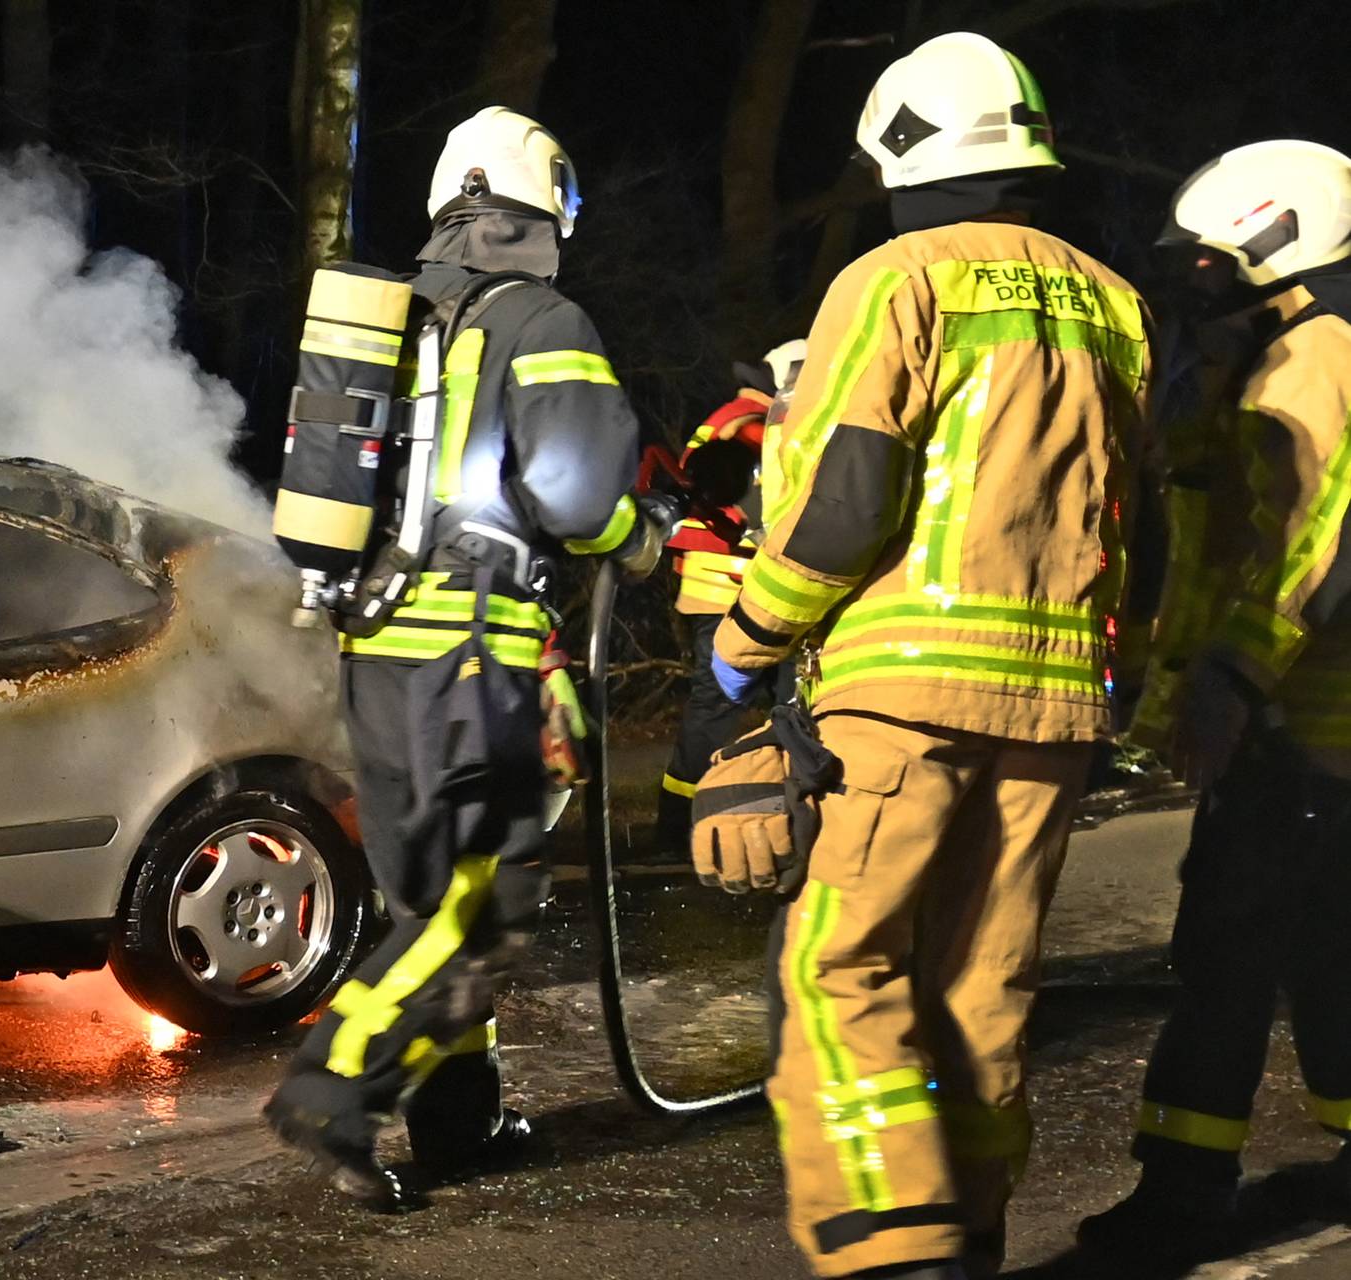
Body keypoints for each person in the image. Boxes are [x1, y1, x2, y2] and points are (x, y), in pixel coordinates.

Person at [699, 32, 1149, 1278]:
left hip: (901, 698)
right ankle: (971, 1233)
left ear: (901, 151)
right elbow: (1143, 523)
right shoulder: (1118, 303)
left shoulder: (895, 278)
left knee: (840, 969)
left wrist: (746, 640)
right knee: (982, 985)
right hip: (1058, 709)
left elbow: (847, 500)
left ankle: (898, 1249)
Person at [264, 105, 660, 1212]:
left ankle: (459, 1120)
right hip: (472, 652)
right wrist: (640, 537)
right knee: (484, 893)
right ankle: (335, 1085)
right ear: (544, 211)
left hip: (376, 645)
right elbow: (577, 496)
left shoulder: (398, 314)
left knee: (429, 898)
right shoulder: (542, 318)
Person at [1079, 138, 1351, 1255]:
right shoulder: (1272, 359)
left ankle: (1184, 1191)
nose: (1191, 287)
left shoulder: (1316, 357)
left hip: (1301, 721)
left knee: (1227, 949)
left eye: (1205, 263)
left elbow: (1315, 542)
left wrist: (1233, 675)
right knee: (1324, 947)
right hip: (1301, 724)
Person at [657, 339, 806, 847]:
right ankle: (683, 826)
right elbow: (765, 505)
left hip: (723, 588)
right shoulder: (754, 424)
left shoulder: (733, 417)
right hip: (738, 589)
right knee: (739, 704)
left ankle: (680, 825)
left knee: (722, 706)